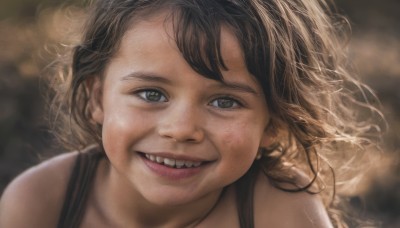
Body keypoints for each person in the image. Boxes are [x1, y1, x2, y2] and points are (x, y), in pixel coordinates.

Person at [0, 0, 383, 227]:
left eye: (225, 102)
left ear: (274, 122)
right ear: (96, 98)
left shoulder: (280, 212)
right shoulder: (42, 204)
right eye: (151, 93)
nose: (181, 129)